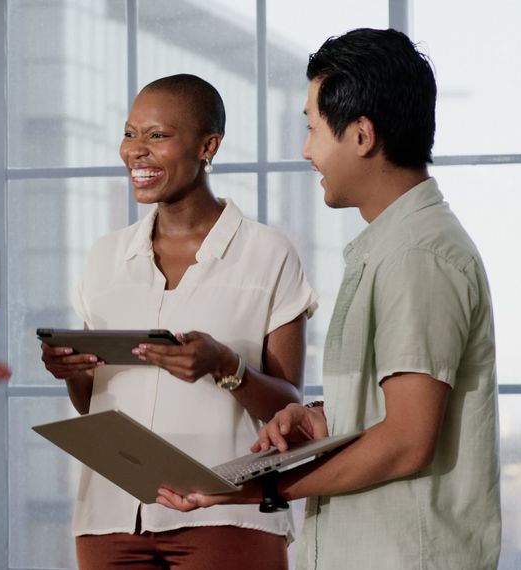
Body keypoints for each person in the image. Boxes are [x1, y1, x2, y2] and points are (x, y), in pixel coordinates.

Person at [155, 29, 501, 570]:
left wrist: (259, 491)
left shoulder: (417, 255)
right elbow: (397, 411)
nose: (306, 150)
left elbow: (408, 441)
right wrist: (323, 417)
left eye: (313, 128)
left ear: (362, 136)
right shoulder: (390, 248)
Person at [41, 74, 318, 569]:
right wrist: (74, 370)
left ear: (208, 146)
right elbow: (90, 402)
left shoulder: (267, 254)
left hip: (227, 513)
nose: (135, 151)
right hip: (110, 516)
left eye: (158, 136)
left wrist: (225, 366)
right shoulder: (105, 257)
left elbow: (288, 406)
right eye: (130, 133)